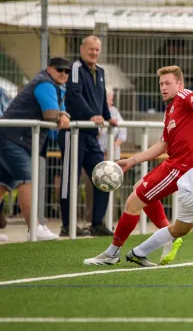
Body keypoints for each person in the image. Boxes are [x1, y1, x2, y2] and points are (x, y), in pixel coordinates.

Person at [83, 65, 193, 265]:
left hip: (181, 167)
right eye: (161, 84)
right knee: (138, 188)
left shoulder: (186, 96)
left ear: (180, 84)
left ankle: (112, 253)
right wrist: (132, 160)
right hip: (174, 164)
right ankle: (168, 236)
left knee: (133, 202)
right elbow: (163, 144)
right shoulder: (170, 109)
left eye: (168, 83)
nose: (163, 87)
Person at [0, 57, 72, 241]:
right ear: (49, 69)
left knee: (3, 184)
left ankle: (35, 228)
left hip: (14, 137)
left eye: (67, 71)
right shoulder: (45, 83)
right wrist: (62, 116)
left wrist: (63, 115)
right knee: (26, 179)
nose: (64, 73)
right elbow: (50, 114)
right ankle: (35, 228)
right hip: (14, 138)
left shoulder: (57, 86)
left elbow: (60, 113)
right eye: (60, 70)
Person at [59, 35, 118, 237]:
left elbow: (101, 100)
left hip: (92, 135)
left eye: (96, 50)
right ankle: (67, 225)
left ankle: (97, 223)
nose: (93, 53)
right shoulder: (76, 68)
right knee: (70, 179)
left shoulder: (100, 72)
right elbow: (74, 95)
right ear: (82, 49)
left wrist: (109, 117)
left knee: (104, 175)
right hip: (74, 132)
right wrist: (90, 115)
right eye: (90, 49)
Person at [98, 86, 127, 160]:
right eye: (109, 100)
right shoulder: (94, 111)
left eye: (112, 100)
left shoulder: (113, 111)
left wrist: (113, 146)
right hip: (96, 155)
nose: (112, 103)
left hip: (112, 155)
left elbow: (123, 132)